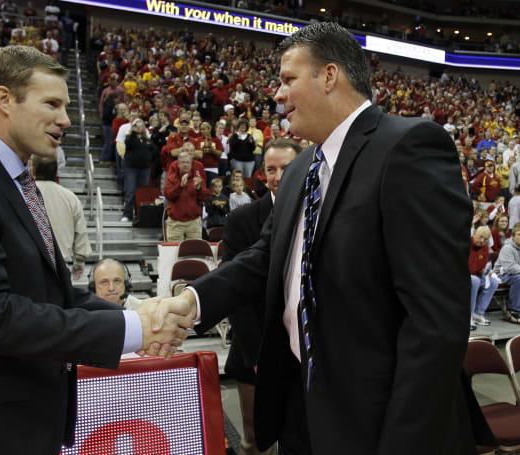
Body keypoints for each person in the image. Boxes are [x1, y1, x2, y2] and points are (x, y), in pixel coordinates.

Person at [153, 23, 493, 454]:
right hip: (302, 405)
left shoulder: (409, 146)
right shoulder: (300, 169)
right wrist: (192, 301)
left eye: (288, 79)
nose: (278, 94)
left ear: (329, 76)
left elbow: (435, 319)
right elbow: (264, 258)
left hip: (379, 418)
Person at [0, 45, 191, 455]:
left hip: (27, 422)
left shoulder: (15, 180)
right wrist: (136, 330)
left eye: (67, 105)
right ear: (4, 99)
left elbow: (52, 294)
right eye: (51, 103)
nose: (66, 119)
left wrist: (134, 317)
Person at [222, 137, 299, 455]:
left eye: (286, 168)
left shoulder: (317, 214)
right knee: (254, 438)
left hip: (301, 351)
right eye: (271, 168)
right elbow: (236, 295)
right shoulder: (241, 220)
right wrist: (257, 357)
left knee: (298, 434)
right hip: (254, 347)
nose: (278, 176)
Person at [31, 155, 91, 281]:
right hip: (61, 266)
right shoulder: (70, 198)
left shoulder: (23, 195)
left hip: (30, 264)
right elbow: (81, 232)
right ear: (56, 172)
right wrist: (79, 261)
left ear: (32, 170)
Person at [164, 150, 210, 242]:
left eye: (188, 162)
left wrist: (199, 188)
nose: (185, 165)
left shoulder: (197, 178)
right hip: (175, 222)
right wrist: (180, 186)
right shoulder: (173, 177)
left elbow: (204, 197)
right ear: (178, 164)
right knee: (174, 253)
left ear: (191, 164)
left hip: (193, 222)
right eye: (183, 162)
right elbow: (168, 195)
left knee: (194, 253)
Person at [120, 118, 156, 222]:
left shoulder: (148, 140)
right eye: (136, 125)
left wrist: (149, 159)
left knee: (142, 192)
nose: (139, 127)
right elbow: (130, 143)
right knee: (130, 191)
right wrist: (133, 131)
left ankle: (140, 215)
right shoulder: (129, 138)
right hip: (131, 168)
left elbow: (154, 151)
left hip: (144, 169)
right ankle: (127, 214)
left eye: (140, 125)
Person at [469, 226, 497, 328]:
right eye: (480, 237)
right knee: (475, 281)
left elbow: (482, 265)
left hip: (475, 275)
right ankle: (469, 315)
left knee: (493, 282)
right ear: (474, 234)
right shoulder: (466, 243)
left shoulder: (484, 247)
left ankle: (478, 313)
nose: (482, 241)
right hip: (462, 276)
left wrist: (486, 271)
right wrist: (478, 271)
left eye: (485, 239)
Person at [493, 223, 520, 324]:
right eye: (519, 234)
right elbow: (510, 268)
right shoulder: (507, 248)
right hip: (501, 274)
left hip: (516, 273)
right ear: (513, 236)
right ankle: (513, 310)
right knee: (519, 278)